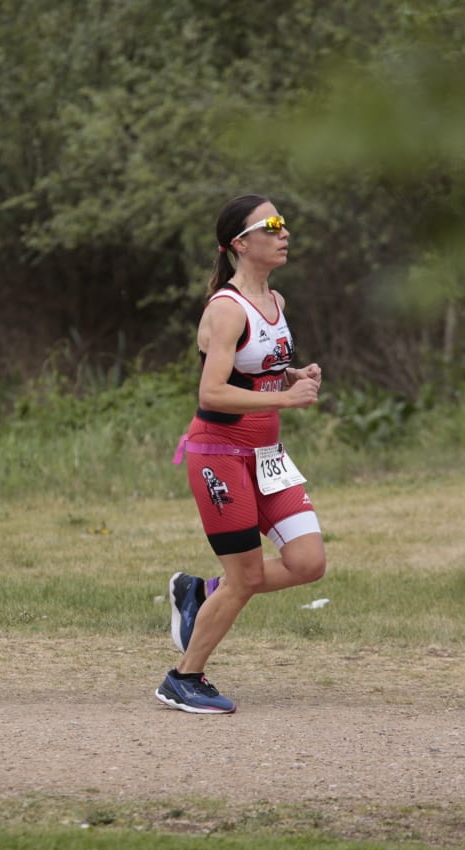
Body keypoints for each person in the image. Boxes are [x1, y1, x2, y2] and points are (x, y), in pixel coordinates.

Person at [157, 194, 326, 714]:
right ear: (240, 243)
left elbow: (252, 370)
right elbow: (212, 393)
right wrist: (284, 397)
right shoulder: (227, 309)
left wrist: (290, 375)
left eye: (284, 224)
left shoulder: (276, 302)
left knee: (308, 562)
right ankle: (182, 679)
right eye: (272, 225)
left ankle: (199, 595)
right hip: (219, 456)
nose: (284, 232)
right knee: (248, 577)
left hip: (267, 456)